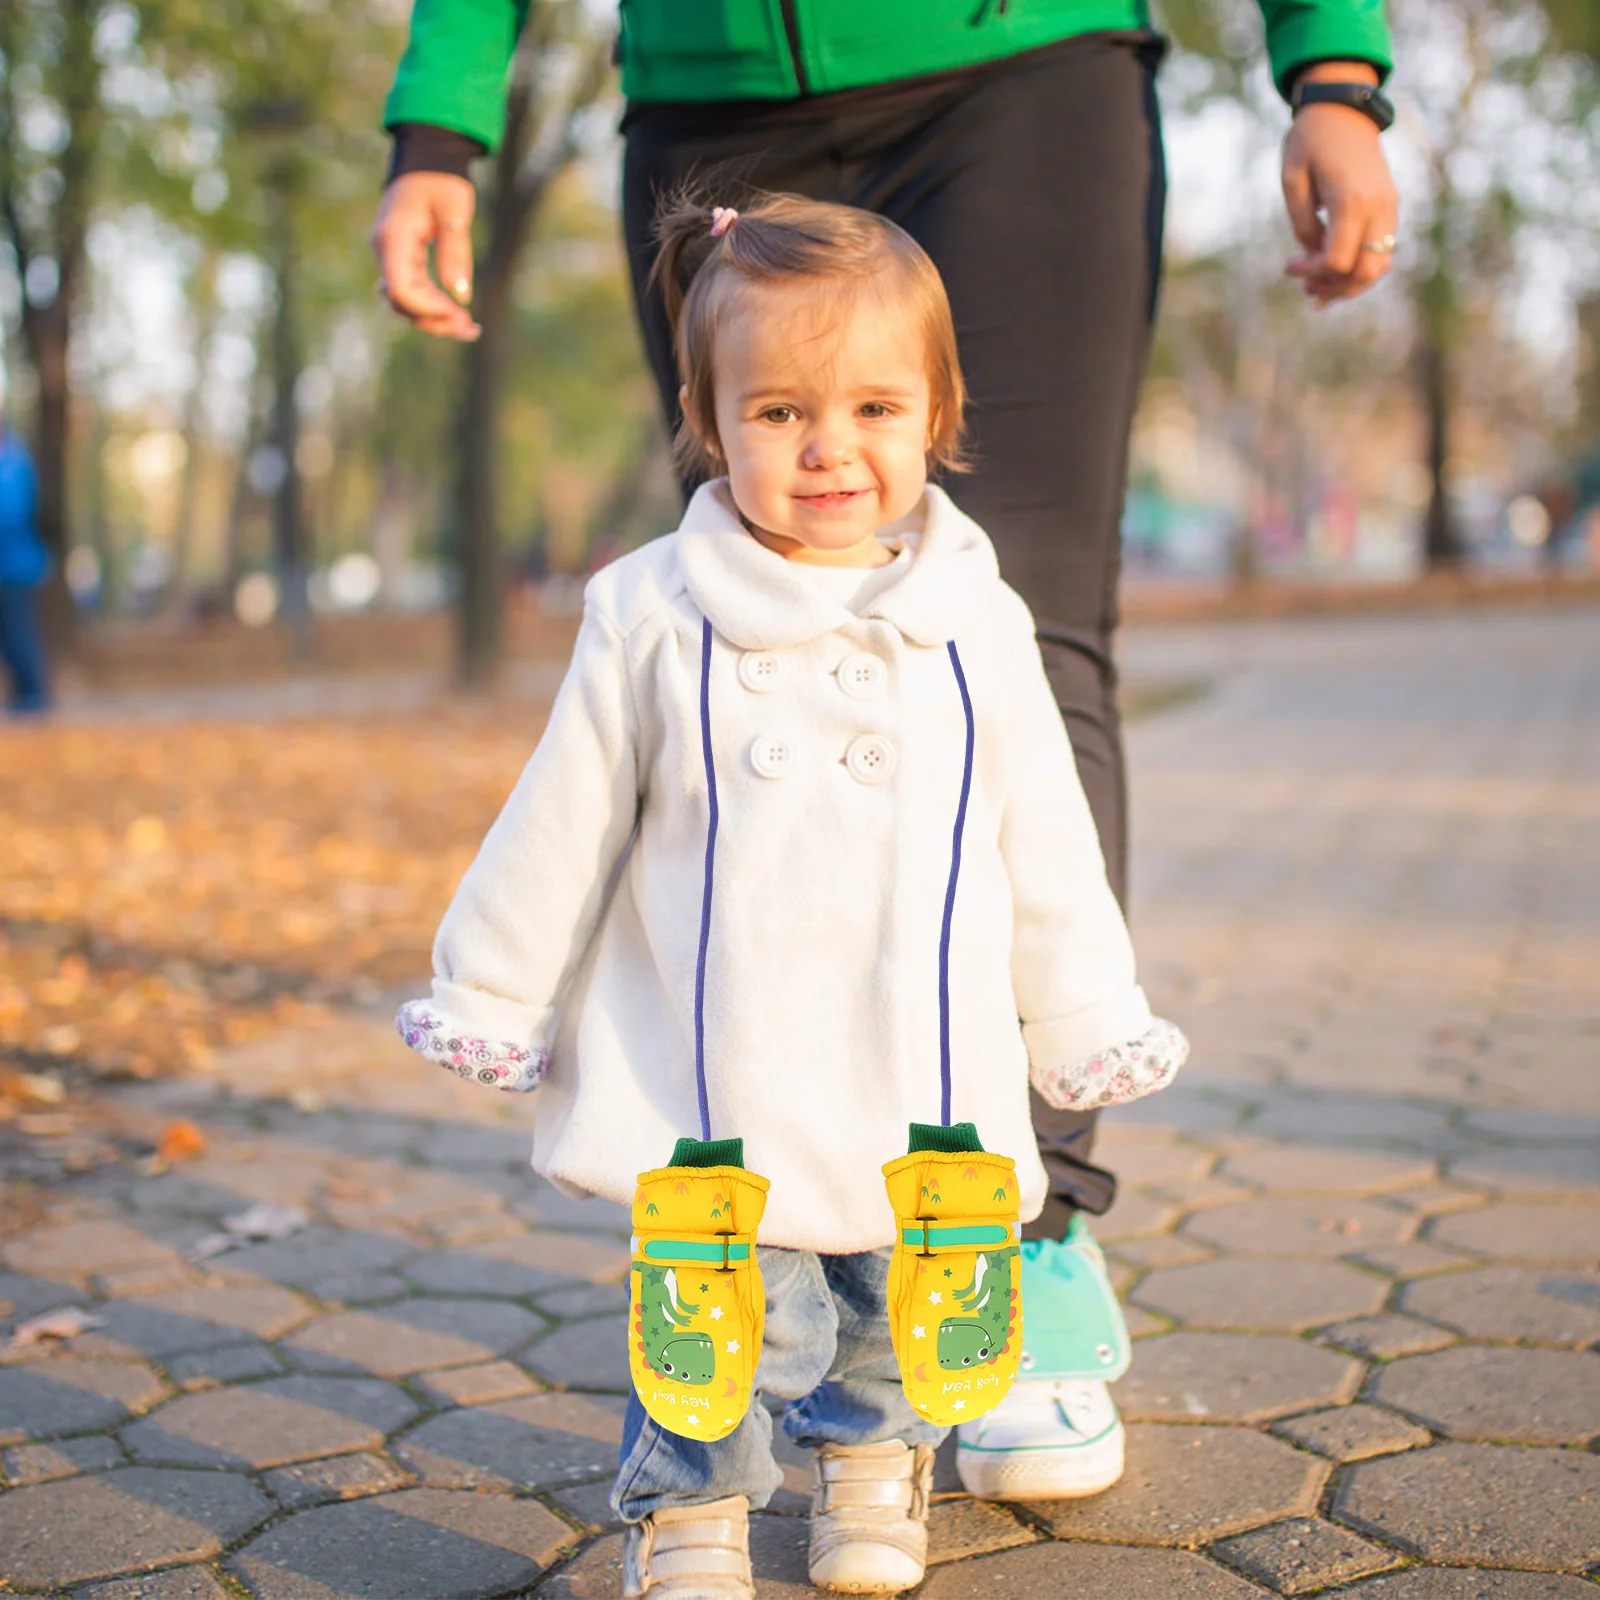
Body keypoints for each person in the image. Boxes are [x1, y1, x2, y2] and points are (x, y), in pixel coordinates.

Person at [373, 0, 1400, 1517]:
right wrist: (438, 123)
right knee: (726, 605)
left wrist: (1333, 69)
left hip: (1021, 71)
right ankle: (754, 1195)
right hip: (713, 94)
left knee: (1016, 637)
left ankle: (1018, 1229)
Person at [394, 193, 1188, 1597]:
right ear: (708, 421)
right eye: (778, 414)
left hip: (917, 1058)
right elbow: (561, 817)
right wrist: (494, 989)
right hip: (718, 1066)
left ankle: (876, 1474)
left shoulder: (974, 622)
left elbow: (1045, 837)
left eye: (875, 406)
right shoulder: (650, 612)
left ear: (939, 410)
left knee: (901, 1289)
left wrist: (1083, 1015)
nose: (830, 448)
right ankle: (687, 1510)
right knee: (712, 1303)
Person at [0, 405, 51, 716]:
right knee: (9, 636)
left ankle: (33, 697)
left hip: (16, 567)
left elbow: (12, 511)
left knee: (20, 634)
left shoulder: (14, 461)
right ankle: (23, 696)